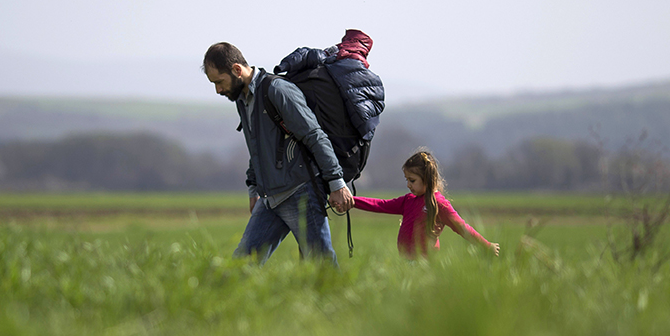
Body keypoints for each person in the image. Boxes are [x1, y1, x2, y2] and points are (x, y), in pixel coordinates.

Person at [202, 41, 354, 263]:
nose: (218, 90)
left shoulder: (277, 90)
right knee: (241, 265)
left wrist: (336, 183)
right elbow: (257, 146)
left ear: (236, 70)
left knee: (321, 268)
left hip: (301, 194)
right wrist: (254, 188)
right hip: (270, 199)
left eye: (219, 81)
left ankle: (346, 299)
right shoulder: (242, 99)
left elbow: (314, 136)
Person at [353, 149, 500, 258]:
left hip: (425, 265)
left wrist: (487, 246)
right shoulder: (408, 200)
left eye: (412, 180)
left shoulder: (439, 205)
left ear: (427, 178)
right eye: (407, 180)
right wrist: (352, 201)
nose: (408, 185)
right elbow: (380, 204)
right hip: (405, 263)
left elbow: (463, 228)